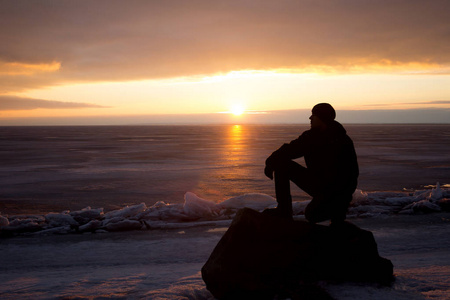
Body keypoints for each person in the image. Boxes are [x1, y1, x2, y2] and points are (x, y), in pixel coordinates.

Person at [264, 103, 359, 224]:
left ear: (322, 117)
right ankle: (284, 211)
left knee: (312, 215)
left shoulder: (342, 141)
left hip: (334, 193)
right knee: (282, 165)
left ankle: (336, 216)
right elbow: (289, 150)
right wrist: (270, 162)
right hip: (320, 185)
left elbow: (351, 175)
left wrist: (342, 207)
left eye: (313, 115)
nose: (310, 118)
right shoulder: (311, 136)